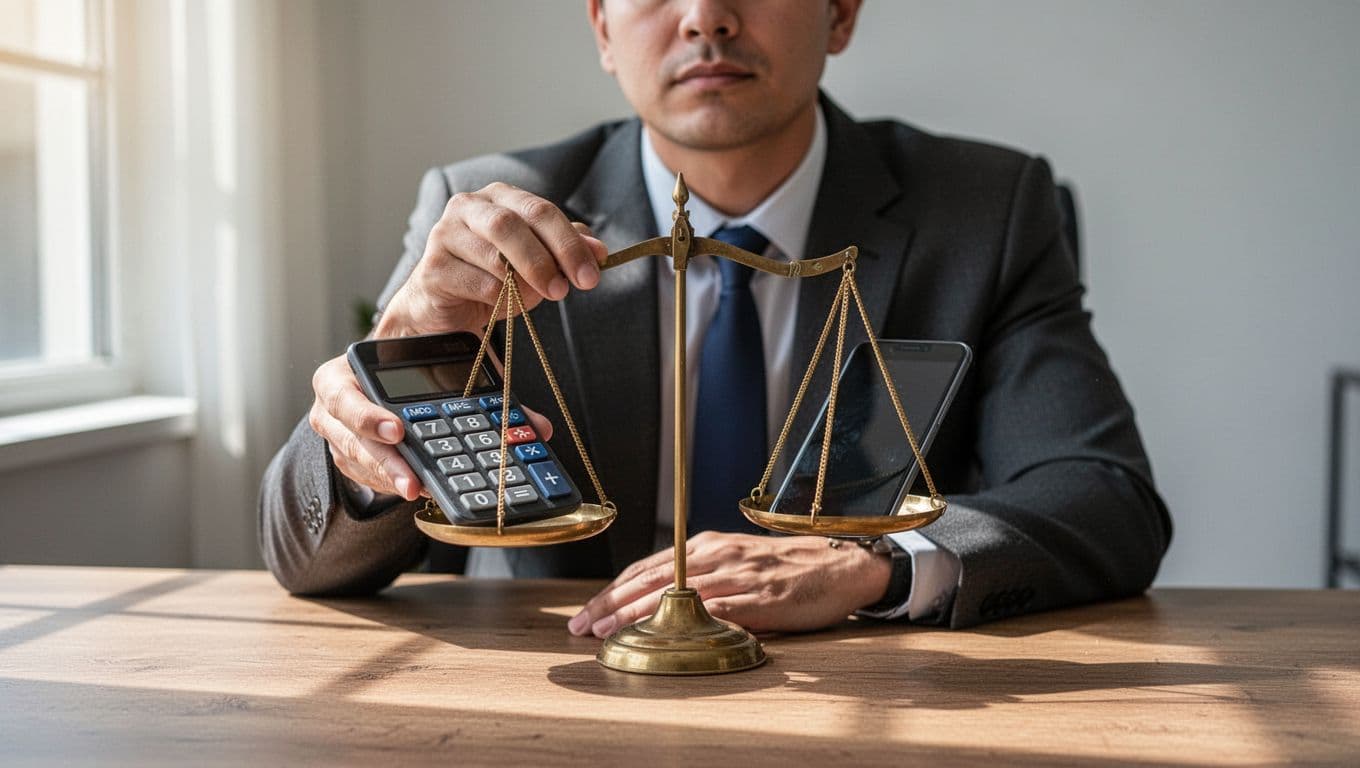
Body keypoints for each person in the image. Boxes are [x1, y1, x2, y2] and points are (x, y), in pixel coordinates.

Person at [259, 0, 1170, 634]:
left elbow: (1102, 495)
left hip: (870, 682)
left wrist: (875, 566)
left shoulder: (985, 209)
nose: (705, 16)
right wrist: (390, 387)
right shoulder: (486, 215)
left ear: (841, 13)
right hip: (570, 673)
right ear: (602, 28)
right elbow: (305, 563)